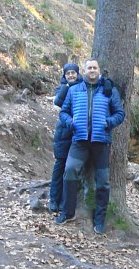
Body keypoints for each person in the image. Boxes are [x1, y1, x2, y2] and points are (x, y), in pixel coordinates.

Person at [56, 57, 125, 235]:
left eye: (95, 68)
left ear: (99, 70)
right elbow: (63, 112)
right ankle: (68, 211)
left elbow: (120, 114)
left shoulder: (109, 90)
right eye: (89, 68)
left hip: (101, 141)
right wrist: (70, 123)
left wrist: (107, 122)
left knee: (103, 180)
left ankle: (100, 219)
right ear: (84, 71)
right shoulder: (74, 90)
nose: (92, 71)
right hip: (79, 140)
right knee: (70, 170)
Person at [49, 63, 83, 213]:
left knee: (72, 170)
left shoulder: (83, 87)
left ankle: (65, 202)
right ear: (64, 75)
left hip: (77, 134)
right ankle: (53, 200)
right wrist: (67, 86)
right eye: (67, 73)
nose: (70, 75)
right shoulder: (62, 88)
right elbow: (58, 102)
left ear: (78, 73)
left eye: (73, 73)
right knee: (59, 168)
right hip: (63, 133)